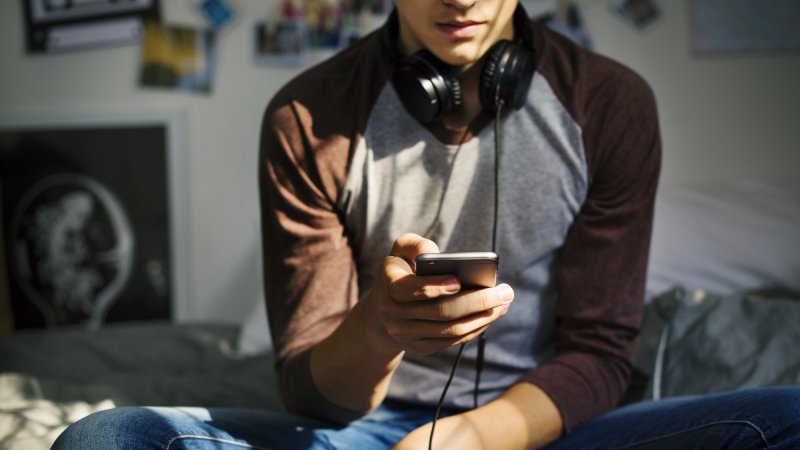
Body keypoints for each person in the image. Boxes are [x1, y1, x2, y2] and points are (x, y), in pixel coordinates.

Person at [53, 0, 800, 448]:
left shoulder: (610, 105)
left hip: (547, 425)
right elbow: (308, 391)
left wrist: (475, 437)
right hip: (365, 430)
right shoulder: (307, 118)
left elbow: (603, 355)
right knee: (106, 438)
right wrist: (381, 327)